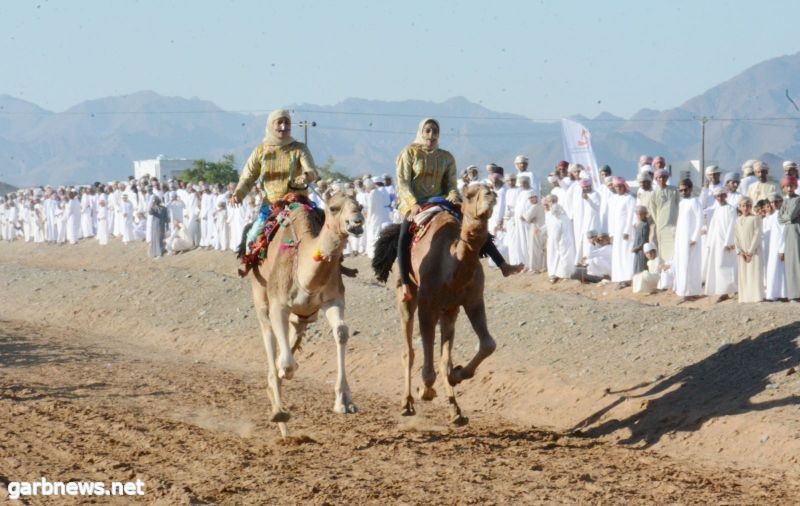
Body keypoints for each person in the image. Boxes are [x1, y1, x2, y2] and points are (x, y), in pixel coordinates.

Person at [395, 118, 521, 300]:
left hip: (440, 202)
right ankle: (405, 283)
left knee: (473, 225)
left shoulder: (447, 157)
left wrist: (454, 197)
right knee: (403, 236)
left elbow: (451, 184)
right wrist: (412, 203)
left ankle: (502, 265)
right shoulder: (409, 153)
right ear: (421, 131)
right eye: (428, 130)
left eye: (435, 131)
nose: (431, 135)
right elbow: (403, 182)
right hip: (416, 204)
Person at [703, 188, 738, 302]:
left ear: (725, 196)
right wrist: (709, 243)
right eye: (717, 196)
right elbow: (712, 227)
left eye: (722, 196)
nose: (720, 198)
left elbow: (732, 225)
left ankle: (732, 289)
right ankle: (723, 291)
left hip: (727, 243)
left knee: (728, 265)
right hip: (716, 243)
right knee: (718, 265)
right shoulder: (717, 210)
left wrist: (729, 242)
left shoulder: (731, 209)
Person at [673, 179, 704, 302]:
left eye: (685, 189)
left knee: (690, 264)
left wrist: (694, 237)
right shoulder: (682, 203)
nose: (683, 192)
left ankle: (690, 292)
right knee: (681, 263)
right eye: (680, 190)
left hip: (691, 239)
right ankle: (682, 290)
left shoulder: (695, 201)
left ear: (690, 189)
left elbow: (700, 220)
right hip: (681, 238)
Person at [608, 177, 636, 289]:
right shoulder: (613, 198)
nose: (618, 188)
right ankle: (619, 278)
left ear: (624, 186)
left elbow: (631, 215)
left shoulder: (629, 198)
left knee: (626, 254)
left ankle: (628, 278)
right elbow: (611, 217)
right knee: (618, 254)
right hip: (616, 231)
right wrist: (611, 233)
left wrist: (627, 230)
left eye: (620, 186)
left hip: (626, 232)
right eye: (616, 187)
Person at [735, 197, 764, 303]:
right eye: (743, 205)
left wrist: (750, 251)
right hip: (742, 251)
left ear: (751, 206)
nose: (745, 207)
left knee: (754, 272)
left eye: (748, 205)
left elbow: (757, 235)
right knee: (743, 273)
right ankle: (745, 297)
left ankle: (756, 296)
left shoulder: (756, 218)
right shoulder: (738, 220)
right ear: (740, 207)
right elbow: (736, 237)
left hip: (753, 251)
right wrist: (740, 251)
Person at [647, 168, 679, 262]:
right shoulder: (654, 194)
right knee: (662, 246)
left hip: (673, 222)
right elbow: (653, 210)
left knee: (674, 245)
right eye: (659, 177)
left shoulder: (674, 190)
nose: (661, 179)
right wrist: (658, 222)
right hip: (661, 224)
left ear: (667, 178)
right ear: (656, 179)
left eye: (664, 177)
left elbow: (679, 204)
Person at [544, 194, 575, 283]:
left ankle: (565, 274)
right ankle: (553, 274)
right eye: (550, 201)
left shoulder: (563, 214)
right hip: (552, 241)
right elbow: (548, 226)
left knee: (564, 256)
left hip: (563, 240)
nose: (552, 203)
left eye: (554, 201)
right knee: (552, 256)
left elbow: (565, 227)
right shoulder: (548, 214)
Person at [778, 176, 800, 301]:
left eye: (791, 186)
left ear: (795, 186)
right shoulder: (785, 201)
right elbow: (779, 218)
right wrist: (786, 217)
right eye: (786, 186)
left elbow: (791, 216)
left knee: (797, 262)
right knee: (791, 263)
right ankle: (793, 294)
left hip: (796, 232)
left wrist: (785, 217)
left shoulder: (798, 200)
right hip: (788, 232)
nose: (789, 188)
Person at [764, 192, 786, 301]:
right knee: (772, 269)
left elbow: (783, 232)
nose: (774, 204)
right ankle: (773, 293)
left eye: (776, 201)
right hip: (772, 247)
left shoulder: (782, 214)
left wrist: (782, 249)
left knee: (780, 270)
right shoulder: (772, 216)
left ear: (781, 202)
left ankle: (782, 293)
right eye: (772, 202)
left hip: (780, 247)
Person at [523, 192, 546, 273]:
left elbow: (526, 218)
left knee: (534, 249)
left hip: (536, 229)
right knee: (543, 249)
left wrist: (524, 217)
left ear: (536, 197)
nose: (532, 199)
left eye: (533, 197)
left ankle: (534, 269)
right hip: (542, 229)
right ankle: (544, 267)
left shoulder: (535, 207)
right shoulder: (542, 205)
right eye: (530, 198)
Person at [631, 206, 650, 274]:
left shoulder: (645, 224)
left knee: (641, 267)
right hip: (637, 249)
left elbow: (644, 239)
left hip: (641, 250)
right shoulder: (639, 223)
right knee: (636, 267)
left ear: (645, 214)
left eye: (641, 214)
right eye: (638, 214)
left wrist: (638, 248)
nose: (639, 216)